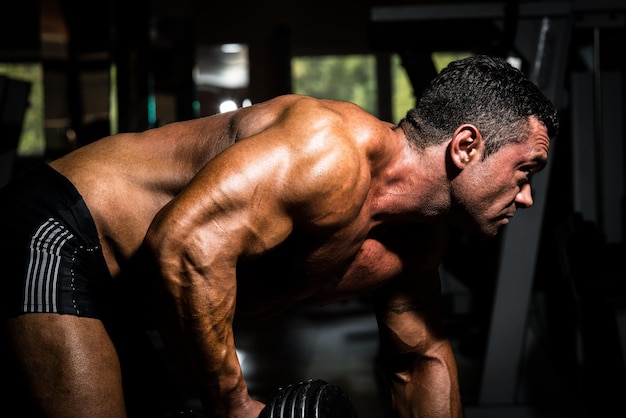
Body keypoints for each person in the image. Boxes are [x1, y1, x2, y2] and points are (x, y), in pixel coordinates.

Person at [0, 54, 558, 418]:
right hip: (62, 230)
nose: (527, 196)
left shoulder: (417, 242)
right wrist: (235, 406)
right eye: (524, 170)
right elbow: (187, 246)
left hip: (137, 295)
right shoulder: (327, 154)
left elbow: (420, 360)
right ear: (465, 147)